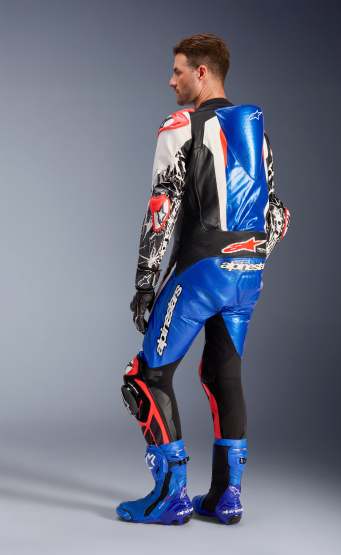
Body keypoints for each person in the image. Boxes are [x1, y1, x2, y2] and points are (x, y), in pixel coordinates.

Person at [116, 33, 291, 525]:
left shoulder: (180, 126)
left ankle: (169, 496)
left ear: (202, 73)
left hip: (200, 271)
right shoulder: (255, 130)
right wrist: (250, 259)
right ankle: (227, 497)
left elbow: (162, 209)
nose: (170, 81)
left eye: (177, 71)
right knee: (222, 374)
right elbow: (278, 214)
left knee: (145, 378)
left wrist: (145, 283)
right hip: (247, 276)